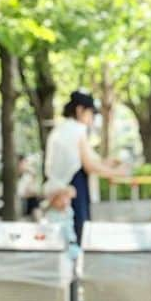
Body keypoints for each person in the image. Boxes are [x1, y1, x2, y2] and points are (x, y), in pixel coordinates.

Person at [43, 90, 125, 245]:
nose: (92, 118)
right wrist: (115, 172)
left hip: (58, 189)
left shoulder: (59, 131)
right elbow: (89, 165)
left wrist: (106, 163)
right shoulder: (77, 130)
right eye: (90, 113)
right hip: (73, 189)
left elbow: (89, 159)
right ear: (80, 110)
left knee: (62, 235)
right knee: (78, 232)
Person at [16, 154, 41, 218]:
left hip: (28, 200)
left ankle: (37, 217)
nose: (24, 166)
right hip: (19, 200)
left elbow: (34, 191)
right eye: (22, 164)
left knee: (34, 200)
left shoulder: (28, 176)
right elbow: (20, 193)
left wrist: (33, 177)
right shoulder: (14, 177)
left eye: (25, 163)